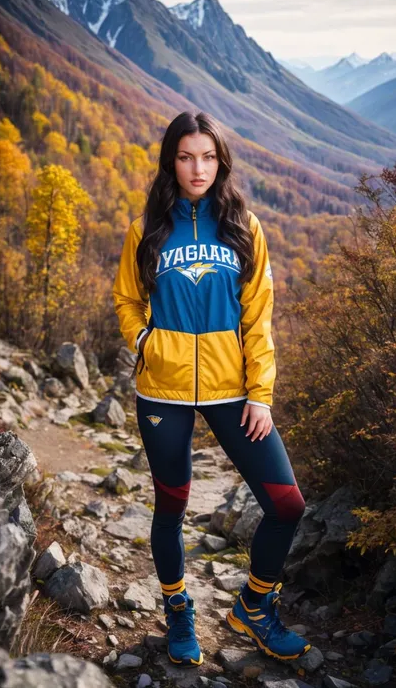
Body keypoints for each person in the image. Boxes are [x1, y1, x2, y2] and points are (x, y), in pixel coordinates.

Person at [112, 110, 311, 666]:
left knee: (286, 504)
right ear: (170, 161)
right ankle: (178, 613)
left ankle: (253, 606)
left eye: (207, 156)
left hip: (232, 389)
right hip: (164, 391)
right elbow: (127, 299)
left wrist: (261, 393)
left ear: (221, 160)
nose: (197, 168)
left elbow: (259, 317)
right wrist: (146, 341)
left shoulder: (245, 227)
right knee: (170, 507)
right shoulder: (145, 229)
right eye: (185, 156)